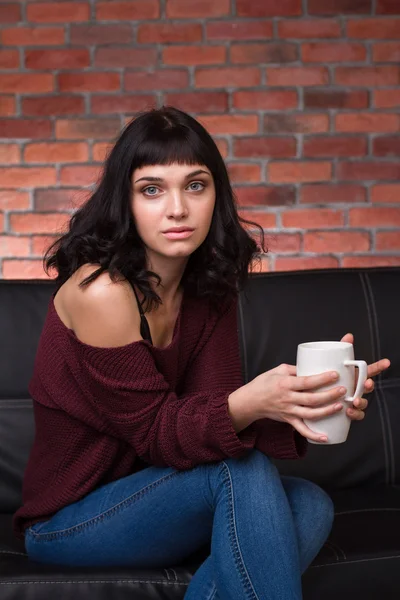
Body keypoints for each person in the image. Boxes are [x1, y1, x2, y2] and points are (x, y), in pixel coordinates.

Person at [13, 106, 389, 600]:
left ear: (216, 195)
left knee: (310, 504)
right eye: (152, 189)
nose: (177, 209)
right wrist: (256, 402)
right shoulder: (101, 292)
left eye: (195, 185)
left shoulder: (207, 287)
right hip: (70, 522)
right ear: (125, 201)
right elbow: (158, 436)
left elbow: (203, 427)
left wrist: (302, 402)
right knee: (245, 472)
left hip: (163, 500)